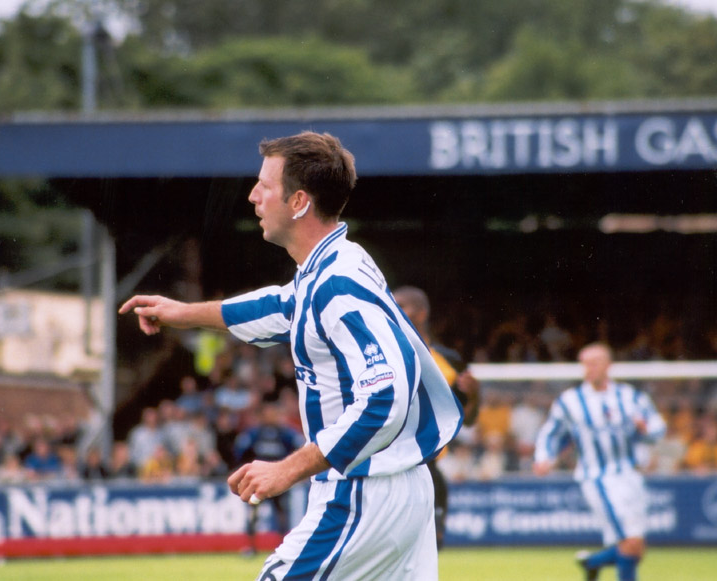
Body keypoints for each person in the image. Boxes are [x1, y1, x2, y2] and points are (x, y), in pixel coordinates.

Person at [120, 131, 463, 580]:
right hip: (393, 487)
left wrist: (289, 468)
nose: (253, 195)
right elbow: (280, 306)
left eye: (264, 184)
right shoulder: (332, 266)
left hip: (362, 492)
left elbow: (386, 398)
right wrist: (183, 313)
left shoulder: (338, 284)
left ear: (299, 201)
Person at [533, 342, 666, 581]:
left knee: (637, 548)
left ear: (608, 365)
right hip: (597, 477)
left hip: (630, 474)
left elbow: (658, 426)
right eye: (585, 364)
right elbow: (551, 433)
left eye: (595, 363)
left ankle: (592, 562)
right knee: (629, 542)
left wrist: (647, 430)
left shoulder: (630, 396)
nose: (590, 368)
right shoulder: (570, 401)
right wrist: (544, 457)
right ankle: (594, 563)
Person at [392, 285, 480, 549]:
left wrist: (475, 396)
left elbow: (470, 420)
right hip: (390, 468)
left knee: (430, 548)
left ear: (421, 313)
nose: (393, 309)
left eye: (401, 305)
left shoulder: (448, 361)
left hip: (429, 470)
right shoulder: (384, 354)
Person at [234, 399, 306, 553]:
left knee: (281, 514)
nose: (271, 416)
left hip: (278, 480)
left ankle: (283, 546)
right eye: (268, 413)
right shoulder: (255, 433)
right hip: (258, 480)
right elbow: (240, 450)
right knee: (253, 513)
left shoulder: (285, 432)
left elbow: (301, 447)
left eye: (273, 413)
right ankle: (251, 546)